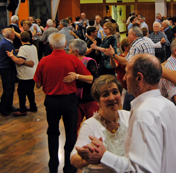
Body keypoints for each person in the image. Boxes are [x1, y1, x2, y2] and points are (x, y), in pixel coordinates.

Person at [76, 54, 176, 173]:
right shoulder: (169, 105)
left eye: (127, 73)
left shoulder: (144, 113)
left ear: (139, 78)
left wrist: (104, 156)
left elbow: (142, 169)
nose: (123, 78)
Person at [34, 33, 93, 173]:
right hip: (69, 101)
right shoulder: (72, 59)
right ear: (65, 44)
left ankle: (52, 165)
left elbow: (37, 84)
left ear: (50, 45)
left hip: (52, 100)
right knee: (71, 133)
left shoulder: (44, 61)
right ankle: (69, 167)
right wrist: (76, 76)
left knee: (52, 132)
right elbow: (90, 78)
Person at [71, 74, 129, 172]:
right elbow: (74, 159)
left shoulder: (129, 116)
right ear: (97, 101)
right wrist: (88, 159)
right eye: (105, 94)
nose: (112, 98)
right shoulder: (90, 125)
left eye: (115, 92)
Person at [67, 39, 99, 133]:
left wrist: (76, 76)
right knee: (74, 126)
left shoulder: (89, 62)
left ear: (76, 51)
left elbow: (93, 79)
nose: (68, 52)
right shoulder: (70, 62)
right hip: (76, 99)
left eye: (70, 50)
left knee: (93, 126)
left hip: (89, 98)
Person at [6, 31, 38, 116]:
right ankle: (33, 106)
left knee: (21, 92)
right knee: (30, 91)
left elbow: (20, 61)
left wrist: (11, 55)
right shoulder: (33, 46)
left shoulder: (23, 48)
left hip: (25, 74)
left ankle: (23, 109)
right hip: (33, 73)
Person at [0, 28, 18, 116]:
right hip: (6, 68)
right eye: (13, 33)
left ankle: (8, 106)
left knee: (10, 88)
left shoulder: (6, 42)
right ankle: (3, 107)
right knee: (8, 89)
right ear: (10, 35)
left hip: (6, 67)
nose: (14, 35)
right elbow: (12, 56)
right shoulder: (7, 44)